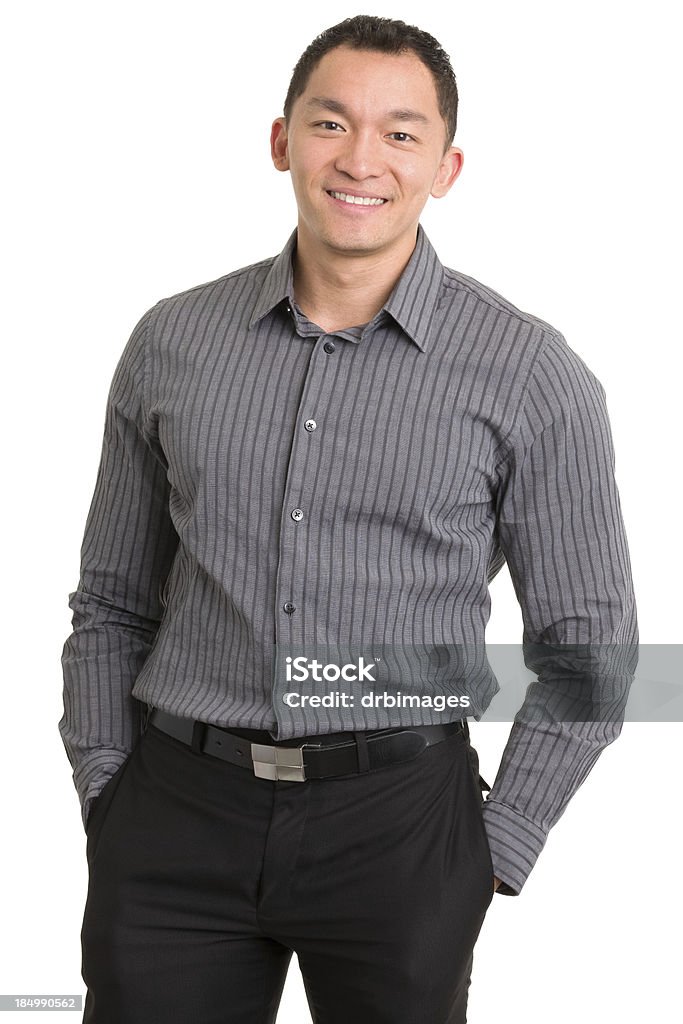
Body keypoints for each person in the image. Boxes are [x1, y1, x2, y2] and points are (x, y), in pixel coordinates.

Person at [59, 14, 638, 1024]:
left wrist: (490, 848)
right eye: (330, 123)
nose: (360, 158)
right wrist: (109, 790)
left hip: (401, 823)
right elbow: (111, 602)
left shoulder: (531, 375)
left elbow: (592, 653)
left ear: (445, 167)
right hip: (174, 816)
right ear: (281, 140)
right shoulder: (171, 342)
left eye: (400, 134)